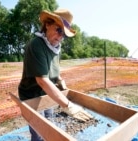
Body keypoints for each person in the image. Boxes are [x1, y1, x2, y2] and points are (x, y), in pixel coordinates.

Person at [18, 8, 93, 141]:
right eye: (59, 30)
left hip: (47, 93)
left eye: (63, 34)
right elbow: (42, 80)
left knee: (50, 125)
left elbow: (53, 71)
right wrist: (68, 105)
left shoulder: (55, 47)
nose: (60, 37)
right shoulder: (37, 45)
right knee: (39, 131)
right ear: (47, 24)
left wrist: (59, 80)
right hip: (32, 95)